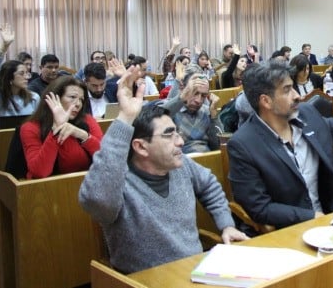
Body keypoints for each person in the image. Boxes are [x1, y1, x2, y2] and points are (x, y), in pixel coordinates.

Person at [78, 66, 248, 274]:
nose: (181, 141)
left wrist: (226, 224)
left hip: (194, 271)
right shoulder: (119, 182)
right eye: (169, 135)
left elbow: (209, 185)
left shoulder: (181, 165)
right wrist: (125, 118)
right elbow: (95, 199)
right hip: (145, 280)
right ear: (141, 146)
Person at [227, 62, 333, 229]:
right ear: (266, 101)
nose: (297, 95)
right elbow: (260, 207)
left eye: (294, 87)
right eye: (287, 90)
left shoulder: (307, 114)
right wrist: (311, 216)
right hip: (289, 230)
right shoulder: (243, 144)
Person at [20, 76, 103, 179]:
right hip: (47, 189)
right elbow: (39, 172)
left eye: (81, 100)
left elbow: (106, 159)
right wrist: (56, 129)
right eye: (72, 97)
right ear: (55, 98)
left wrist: (82, 135)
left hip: (86, 184)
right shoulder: (31, 128)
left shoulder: (87, 120)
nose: (78, 104)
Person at [163, 71, 221, 154]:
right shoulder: (171, 107)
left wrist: (214, 117)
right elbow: (156, 118)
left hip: (207, 159)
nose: (198, 100)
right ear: (183, 89)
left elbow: (218, 146)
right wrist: (181, 98)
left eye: (203, 96)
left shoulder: (207, 111)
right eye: (194, 93)